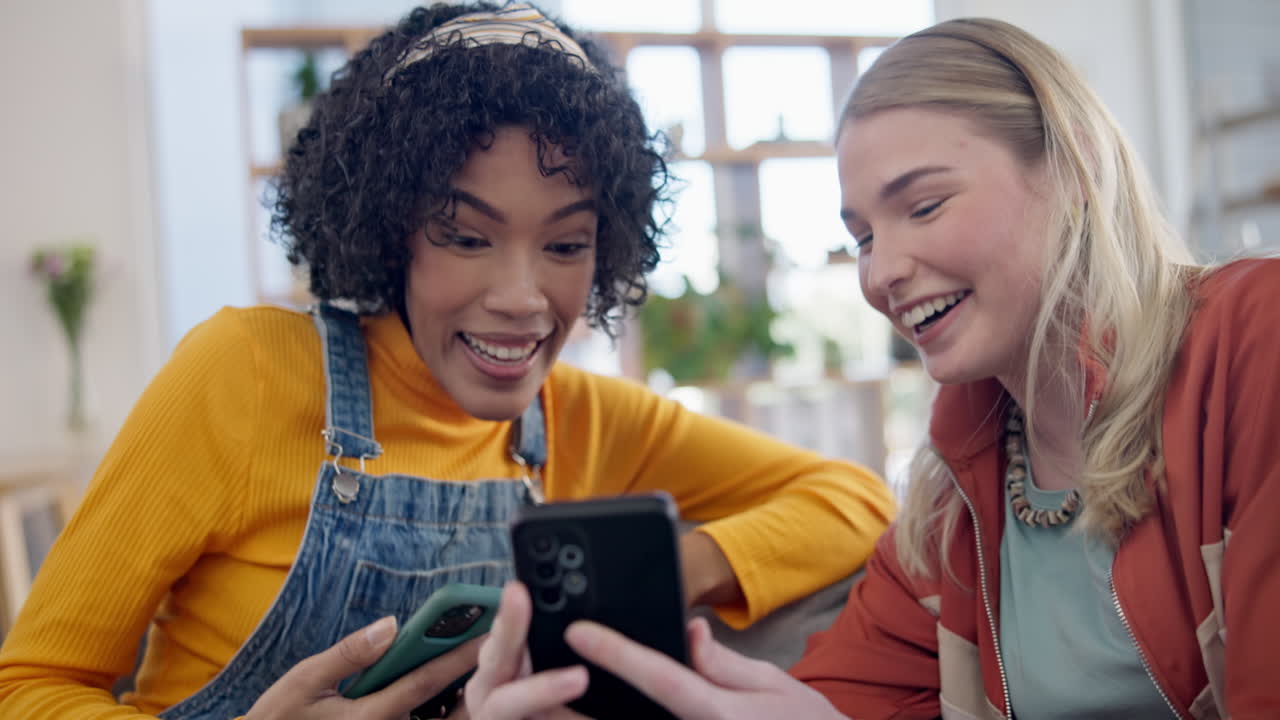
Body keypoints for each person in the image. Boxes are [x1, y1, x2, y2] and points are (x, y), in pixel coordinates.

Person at [0, 3, 897, 718]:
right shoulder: (247, 374)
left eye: (565, 244)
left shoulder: (584, 416)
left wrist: (670, 571)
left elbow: (856, 500)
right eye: (466, 236)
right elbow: (31, 687)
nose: (521, 296)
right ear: (388, 232)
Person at [464, 15, 1280, 720]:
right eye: (861, 236)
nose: (880, 271)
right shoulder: (948, 509)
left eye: (922, 206)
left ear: (1073, 172)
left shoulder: (1257, 342)